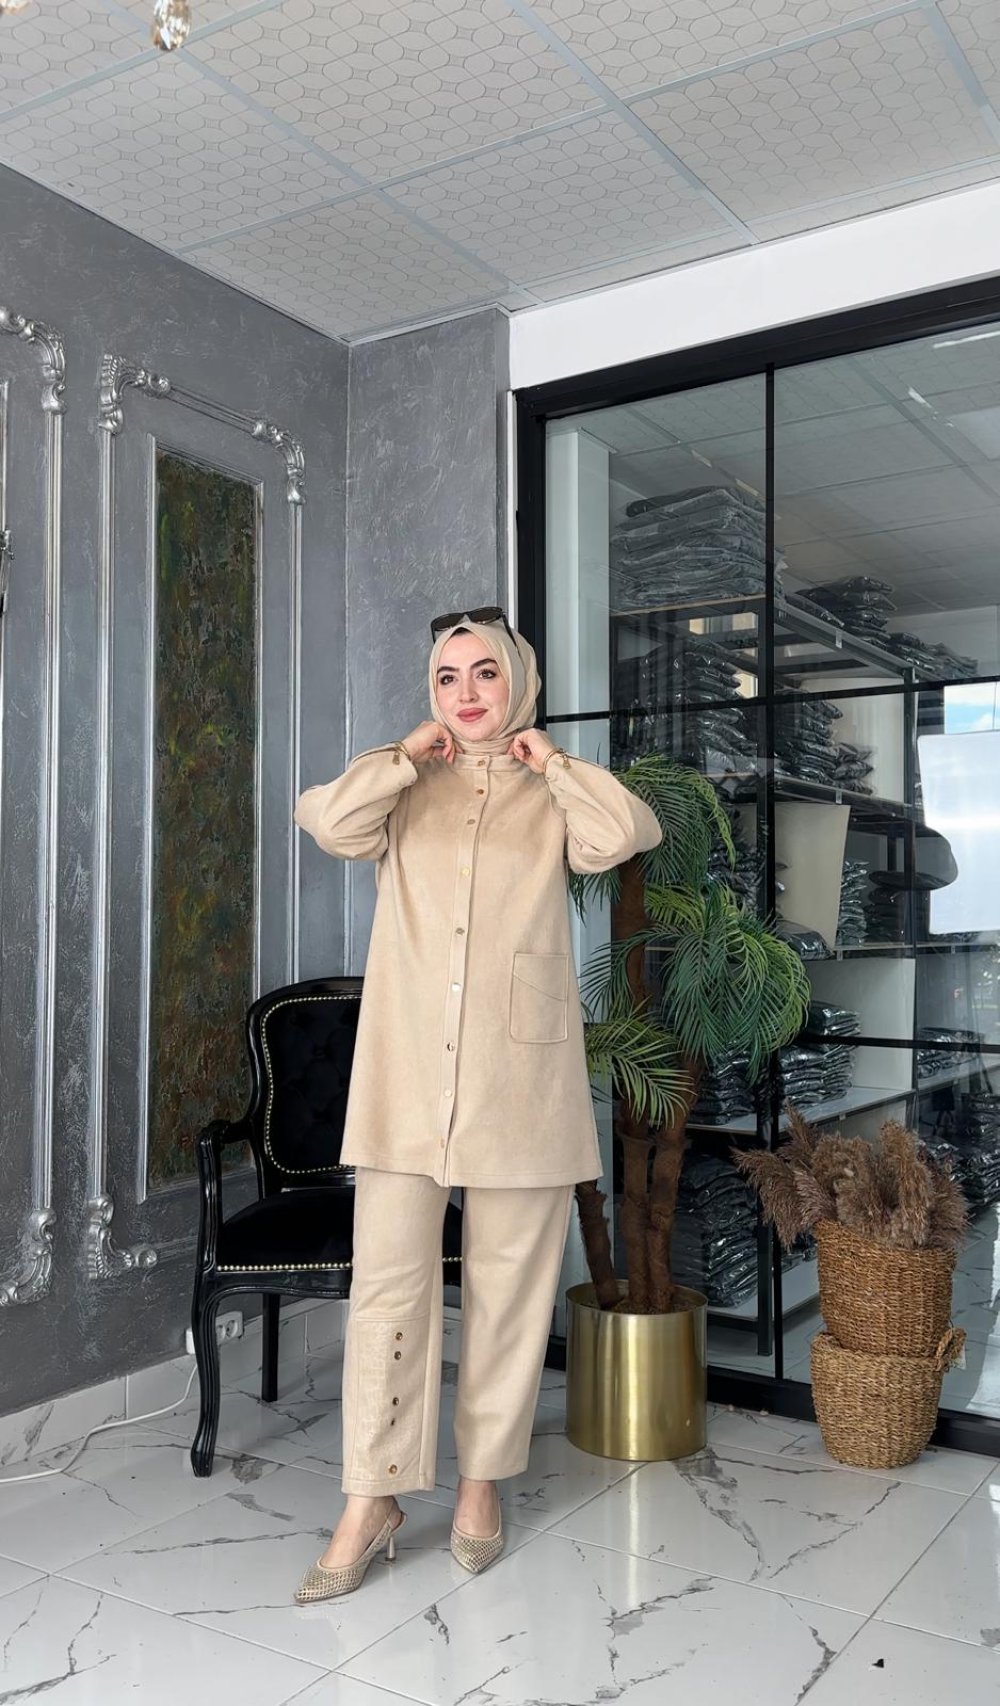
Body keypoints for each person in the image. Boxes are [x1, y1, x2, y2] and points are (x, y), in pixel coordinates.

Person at [291, 608, 661, 1603]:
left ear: (518, 684)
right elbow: (326, 820)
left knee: (507, 1290)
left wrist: (555, 763)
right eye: (448, 675)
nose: (465, 691)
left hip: (518, 1079)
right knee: (388, 1288)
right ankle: (370, 1494)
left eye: (485, 672)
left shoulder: (552, 792)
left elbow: (625, 832)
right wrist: (400, 756)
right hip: (407, 1073)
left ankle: (480, 1485)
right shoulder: (404, 786)